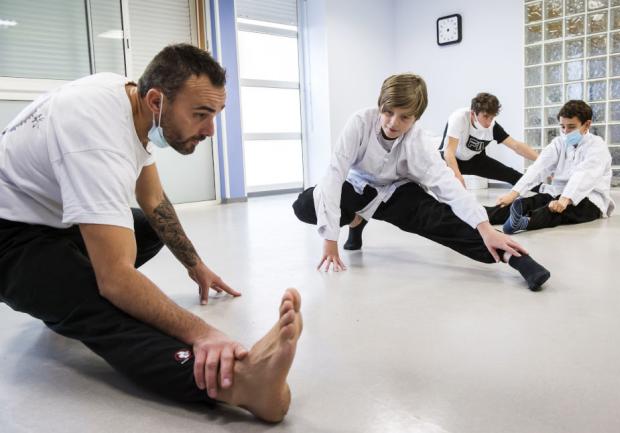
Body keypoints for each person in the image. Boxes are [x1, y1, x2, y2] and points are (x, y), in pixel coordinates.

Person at [0, 43, 302, 423]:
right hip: (10, 239)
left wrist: (196, 266)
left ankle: (63, 292)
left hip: (53, 222)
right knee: (102, 304)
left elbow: (153, 197)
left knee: (146, 228)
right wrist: (204, 334)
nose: (210, 129)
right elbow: (116, 280)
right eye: (201, 114)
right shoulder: (94, 136)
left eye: (216, 114)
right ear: (157, 100)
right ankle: (241, 382)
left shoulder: (130, 100)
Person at [292, 74, 551, 291]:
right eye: (388, 112)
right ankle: (356, 221)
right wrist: (330, 239)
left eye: (404, 117)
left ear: (416, 117)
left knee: (442, 220)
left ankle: (514, 259)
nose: (394, 123)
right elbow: (334, 174)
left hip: (397, 192)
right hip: (358, 187)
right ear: (379, 105)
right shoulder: (360, 123)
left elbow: (448, 187)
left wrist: (485, 228)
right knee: (305, 203)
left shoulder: (420, 144)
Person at [343, 92, 540, 250]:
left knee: (512, 175)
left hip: (475, 159)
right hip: (448, 157)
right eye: (485, 116)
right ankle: (357, 226)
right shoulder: (459, 118)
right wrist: (457, 179)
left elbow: (515, 145)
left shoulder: (492, 126)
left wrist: (542, 162)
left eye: (492, 117)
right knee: (446, 199)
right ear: (474, 113)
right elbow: (449, 153)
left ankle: (542, 190)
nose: (489, 121)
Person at [485, 100, 615, 233]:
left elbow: (584, 175)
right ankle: (482, 215)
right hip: (558, 192)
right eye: (562, 126)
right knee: (531, 202)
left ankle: (525, 222)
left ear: (587, 124)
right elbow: (539, 167)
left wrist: (564, 200)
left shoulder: (597, 146)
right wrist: (513, 194)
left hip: (590, 199)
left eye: (571, 127)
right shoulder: (559, 143)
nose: (565, 132)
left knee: (556, 211)